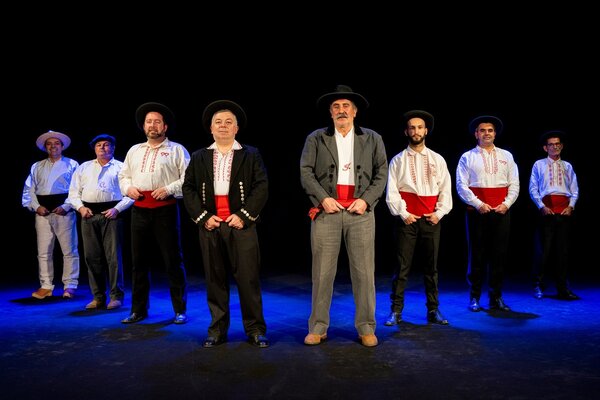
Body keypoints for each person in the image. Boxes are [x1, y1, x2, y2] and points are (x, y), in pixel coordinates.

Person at [300, 85, 388, 347]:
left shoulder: (372, 138)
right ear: (330, 112)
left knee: (364, 273)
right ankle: (318, 327)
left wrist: (366, 200)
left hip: (360, 212)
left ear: (355, 111)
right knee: (322, 273)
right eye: (336, 107)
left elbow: (382, 172)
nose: (341, 110)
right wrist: (323, 198)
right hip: (327, 211)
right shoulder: (316, 138)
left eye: (346, 106)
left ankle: (366, 327)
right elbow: (306, 171)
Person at [183, 100, 270, 348]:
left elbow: (261, 186)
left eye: (228, 122)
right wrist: (203, 217)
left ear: (236, 128)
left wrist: (243, 215)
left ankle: (255, 329)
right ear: (211, 128)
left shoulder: (250, 154)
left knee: (248, 279)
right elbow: (188, 188)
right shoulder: (199, 156)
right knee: (215, 279)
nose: (223, 126)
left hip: (241, 224)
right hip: (211, 224)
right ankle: (217, 330)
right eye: (218, 122)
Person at [118, 102, 190, 324]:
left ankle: (179, 310)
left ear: (164, 127)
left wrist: (168, 189)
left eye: (157, 122)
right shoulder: (135, 150)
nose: (152, 125)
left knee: (172, 261)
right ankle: (138, 310)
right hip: (139, 210)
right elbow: (124, 176)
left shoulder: (177, 149)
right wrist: (128, 188)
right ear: (143, 126)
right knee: (138, 262)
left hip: (165, 210)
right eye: (149, 122)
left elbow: (188, 178)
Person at [384, 110, 452, 327]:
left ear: (426, 131)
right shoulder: (398, 160)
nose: (416, 131)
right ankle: (396, 310)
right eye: (412, 128)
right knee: (402, 267)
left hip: (431, 219)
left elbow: (445, 190)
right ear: (406, 132)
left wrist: (439, 213)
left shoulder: (437, 159)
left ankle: (433, 309)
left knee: (431, 268)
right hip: (407, 220)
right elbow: (392, 191)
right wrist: (404, 214)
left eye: (420, 127)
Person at [456, 115, 519, 312]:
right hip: (477, 212)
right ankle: (474, 297)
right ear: (476, 134)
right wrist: (478, 204)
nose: (486, 133)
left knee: (499, 256)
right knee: (477, 255)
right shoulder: (468, 157)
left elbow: (514, 183)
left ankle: (496, 297)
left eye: (490, 130)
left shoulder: (506, 156)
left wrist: (506, 204)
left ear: (495, 133)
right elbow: (461, 185)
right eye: (482, 130)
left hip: (501, 212)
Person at [67, 134, 134, 310]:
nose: (103, 148)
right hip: (88, 215)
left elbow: (131, 194)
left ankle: (116, 296)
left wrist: (117, 209)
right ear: (94, 148)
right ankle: (98, 297)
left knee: (113, 258)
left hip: (112, 215)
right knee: (92, 257)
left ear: (113, 148)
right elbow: (73, 193)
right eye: (99, 145)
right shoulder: (84, 167)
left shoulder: (121, 167)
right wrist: (80, 208)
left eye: (106, 144)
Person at [23, 130, 80, 299]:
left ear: (62, 146)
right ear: (45, 147)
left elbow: (77, 188)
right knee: (43, 251)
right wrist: (36, 207)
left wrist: (67, 206)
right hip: (43, 212)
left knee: (69, 250)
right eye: (49, 144)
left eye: (56, 143)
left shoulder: (72, 164)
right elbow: (29, 189)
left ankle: (70, 285)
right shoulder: (37, 166)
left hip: (64, 211)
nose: (53, 146)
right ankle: (46, 285)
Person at [529, 130, 579, 300]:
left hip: (564, 210)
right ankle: (538, 285)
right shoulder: (539, 164)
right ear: (545, 148)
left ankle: (563, 288)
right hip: (546, 209)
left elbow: (574, 189)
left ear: (561, 146)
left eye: (557, 144)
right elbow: (533, 188)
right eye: (551, 144)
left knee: (562, 251)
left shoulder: (567, 166)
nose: (554, 147)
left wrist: (571, 206)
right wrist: (541, 206)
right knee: (543, 251)